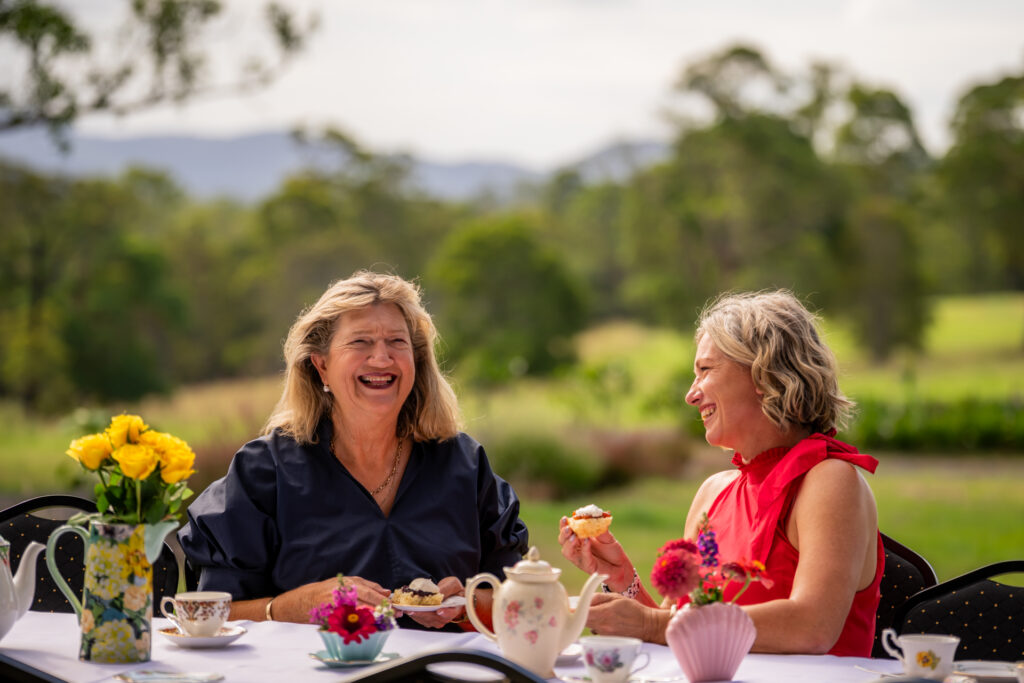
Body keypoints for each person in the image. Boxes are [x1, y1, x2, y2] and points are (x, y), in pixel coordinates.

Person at [179, 270, 529, 630]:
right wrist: (294, 606)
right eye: (360, 342)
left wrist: (465, 605)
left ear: (416, 361)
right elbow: (209, 616)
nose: (382, 358)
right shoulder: (265, 472)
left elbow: (524, 606)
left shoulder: (464, 465)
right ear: (322, 366)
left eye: (397, 341)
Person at [559, 290, 882, 656]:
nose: (690, 395)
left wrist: (652, 624)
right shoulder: (713, 492)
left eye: (705, 370)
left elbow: (812, 627)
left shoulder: (829, 480)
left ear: (763, 374)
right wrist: (620, 580)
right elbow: (676, 630)